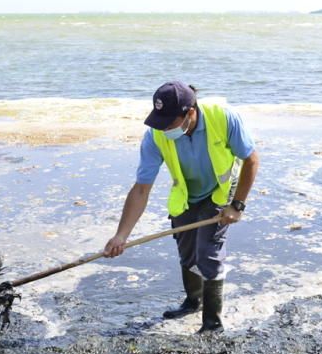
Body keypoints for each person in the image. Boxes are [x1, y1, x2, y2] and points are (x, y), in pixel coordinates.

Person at [103, 81, 259, 333]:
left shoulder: (224, 118)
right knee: (187, 250)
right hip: (187, 194)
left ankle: (212, 324)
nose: (164, 128)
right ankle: (193, 301)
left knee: (208, 253)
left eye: (169, 122)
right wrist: (121, 235)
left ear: (190, 112)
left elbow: (251, 160)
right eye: (159, 121)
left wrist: (237, 205)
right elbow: (141, 188)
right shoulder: (155, 135)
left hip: (220, 192)